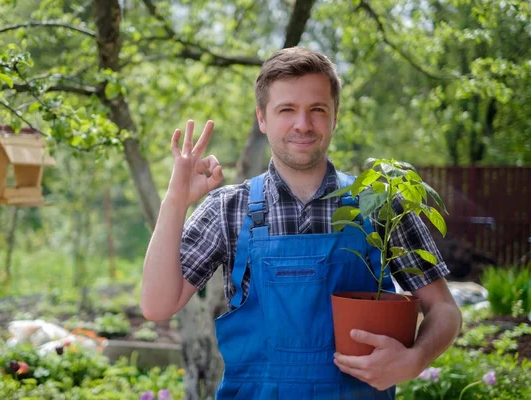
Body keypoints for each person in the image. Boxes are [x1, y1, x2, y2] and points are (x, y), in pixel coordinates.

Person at [141, 47, 462, 399]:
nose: (303, 124)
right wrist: (175, 200)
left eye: (317, 110)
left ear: (335, 116)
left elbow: (444, 309)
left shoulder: (380, 204)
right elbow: (157, 305)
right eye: (286, 110)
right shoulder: (229, 208)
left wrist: (415, 359)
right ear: (262, 119)